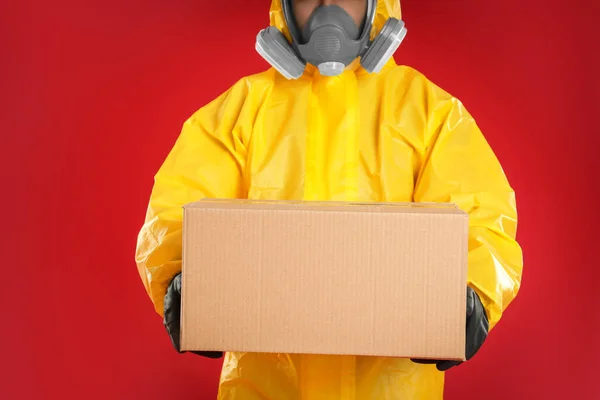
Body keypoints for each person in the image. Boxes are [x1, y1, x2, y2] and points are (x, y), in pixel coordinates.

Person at [134, 0, 524, 398]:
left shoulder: (427, 113)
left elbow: (480, 211)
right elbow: (179, 208)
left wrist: (473, 293)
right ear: (284, 9)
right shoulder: (240, 114)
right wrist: (181, 281)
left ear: (377, 7)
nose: (328, 11)